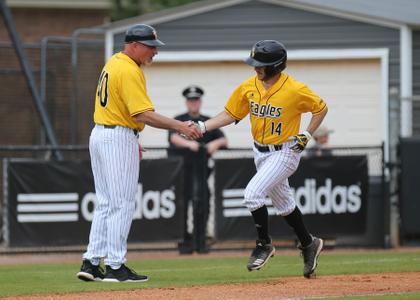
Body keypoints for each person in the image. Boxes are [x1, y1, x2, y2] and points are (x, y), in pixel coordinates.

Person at [76, 24, 202, 283]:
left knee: (106, 202)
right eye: (150, 46)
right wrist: (180, 127)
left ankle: (91, 262)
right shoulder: (129, 69)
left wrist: (131, 138)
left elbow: (121, 109)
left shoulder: (114, 62)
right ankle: (115, 266)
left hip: (102, 133)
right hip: (116, 136)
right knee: (122, 203)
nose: (154, 51)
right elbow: (141, 113)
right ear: (133, 45)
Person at [193, 40, 328, 278]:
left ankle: (264, 244)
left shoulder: (295, 89)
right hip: (260, 151)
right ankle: (309, 243)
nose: (255, 68)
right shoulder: (249, 86)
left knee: (252, 194)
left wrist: (307, 134)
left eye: (260, 64)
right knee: (285, 204)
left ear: (276, 66)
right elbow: (230, 114)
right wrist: (202, 126)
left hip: (286, 150)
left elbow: (320, 108)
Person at [168, 85, 228, 253]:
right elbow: (173, 138)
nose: (193, 103)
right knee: (182, 207)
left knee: (202, 204)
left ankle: (200, 240)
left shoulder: (206, 122)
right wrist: (190, 144)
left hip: (201, 173)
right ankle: (184, 241)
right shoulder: (179, 120)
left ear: (200, 102)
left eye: (196, 100)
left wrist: (212, 145)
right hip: (182, 173)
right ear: (186, 102)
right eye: (190, 100)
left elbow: (223, 140)